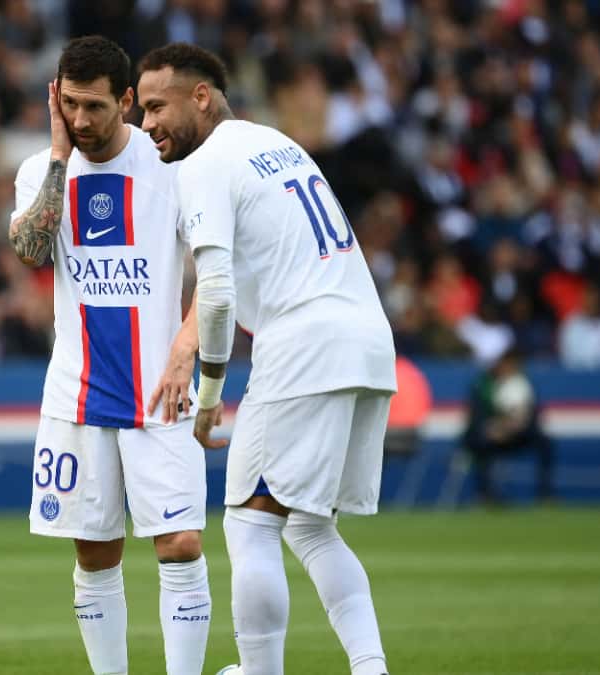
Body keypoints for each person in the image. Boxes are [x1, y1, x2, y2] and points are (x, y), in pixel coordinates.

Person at [138, 44, 397, 675]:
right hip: (366, 339)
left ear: (201, 96)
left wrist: (208, 396)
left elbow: (218, 291)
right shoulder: (276, 144)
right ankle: (371, 668)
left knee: (250, 527)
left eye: (156, 106)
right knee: (308, 527)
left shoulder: (206, 163)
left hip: (305, 346)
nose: (147, 125)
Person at [8, 36, 210, 675]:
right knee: (94, 554)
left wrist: (189, 345)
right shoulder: (41, 171)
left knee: (179, 544)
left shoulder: (172, 167)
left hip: (160, 389)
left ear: (127, 99)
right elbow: (31, 252)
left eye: (95, 106)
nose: (83, 120)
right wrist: (61, 160)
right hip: (77, 392)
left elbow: (218, 268)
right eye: (69, 105)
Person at [461, 349, 554, 504]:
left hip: (518, 434)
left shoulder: (522, 384)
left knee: (545, 443)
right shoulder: (482, 385)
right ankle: (486, 494)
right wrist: (493, 429)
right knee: (480, 444)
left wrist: (515, 427)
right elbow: (476, 419)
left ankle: (545, 493)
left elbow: (531, 415)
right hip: (490, 435)